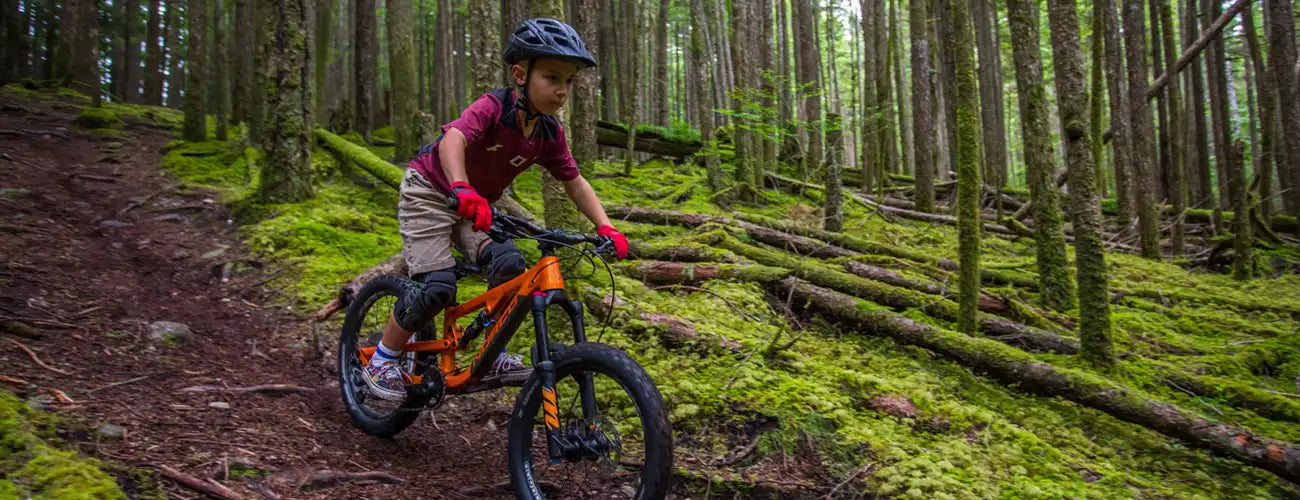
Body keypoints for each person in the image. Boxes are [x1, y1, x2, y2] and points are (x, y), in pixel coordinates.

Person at [363, 18, 629, 401]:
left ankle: (492, 353)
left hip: (475, 205)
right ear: (520, 75)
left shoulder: (549, 132)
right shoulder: (493, 108)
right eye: (552, 78)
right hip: (430, 192)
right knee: (437, 287)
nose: (562, 90)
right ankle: (383, 358)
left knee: (509, 264)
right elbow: (452, 139)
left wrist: (606, 227)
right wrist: (461, 187)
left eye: (569, 81)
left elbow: (574, 181)